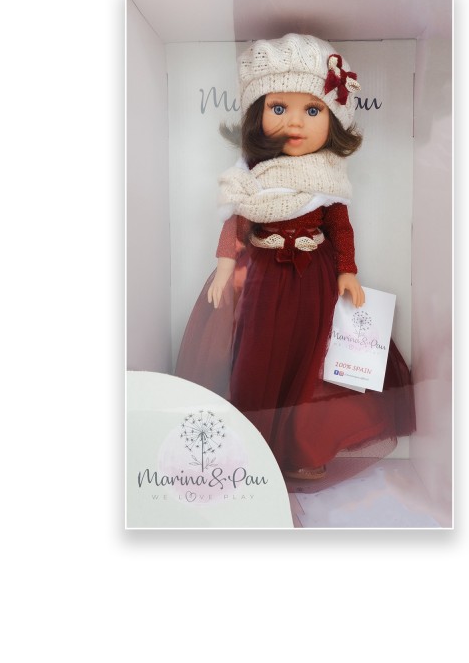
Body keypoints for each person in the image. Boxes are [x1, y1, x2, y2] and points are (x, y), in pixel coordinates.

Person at [176, 34, 414, 484]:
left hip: (311, 279)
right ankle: (250, 447)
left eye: (313, 110)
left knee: (309, 361)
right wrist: (225, 265)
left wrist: (347, 272)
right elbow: (237, 222)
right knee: (254, 359)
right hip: (259, 279)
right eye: (279, 107)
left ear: (334, 120)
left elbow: (340, 227)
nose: (295, 122)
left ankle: (301, 447)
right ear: (257, 113)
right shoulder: (250, 177)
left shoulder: (329, 178)